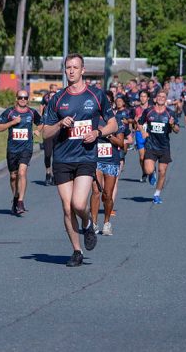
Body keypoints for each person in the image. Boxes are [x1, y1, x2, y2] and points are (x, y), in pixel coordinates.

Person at [43, 54, 117, 268]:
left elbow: (113, 124)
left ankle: (87, 222)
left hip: (85, 156)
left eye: (75, 67)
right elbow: (44, 133)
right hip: (62, 159)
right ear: (64, 70)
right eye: (68, 68)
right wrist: (59, 125)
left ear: (83, 70)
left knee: (78, 203)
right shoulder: (57, 98)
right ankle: (77, 250)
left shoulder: (96, 95)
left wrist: (98, 132)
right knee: (67, 208)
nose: (71, 71)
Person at [90, 91, 128, 236]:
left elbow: (121, 143)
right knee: (95, 191)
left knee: (107, 194)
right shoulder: (91, 119)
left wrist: (106, 133)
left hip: (111, 161)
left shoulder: (116, 120)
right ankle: (93, 223)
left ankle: (106, 222)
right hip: (96, 159)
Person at [0, 90, 42, 215]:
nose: (23, 99)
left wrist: (38, 130)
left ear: (28, 99)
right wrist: (13, 122)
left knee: (22, 172)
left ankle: (21, 202)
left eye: (25, 97)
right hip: (12, 149)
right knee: (13, 176)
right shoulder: (10, 112)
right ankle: (16, 197)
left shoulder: (32, 112)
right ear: (16, 98)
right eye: (21, 97)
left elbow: (41, 123)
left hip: (26, 148)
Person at [138, 90, 180, 204]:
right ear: (155, 98)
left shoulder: (170, 113)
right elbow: (139, 122)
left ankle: (157, 194)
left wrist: (172, 124)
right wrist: (142, 132)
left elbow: (177, 130)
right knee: (148, 169)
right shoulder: (148, 111)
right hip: (151, 145)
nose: (161, 98)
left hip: (164, 147)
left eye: (163, 96)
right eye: (159, 96)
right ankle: (152, 173)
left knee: (163, 171)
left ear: (166, 99)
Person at [38, 84, 58, 186]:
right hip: (48, 134)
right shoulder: (46, 110)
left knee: (57, 155)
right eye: (51, 97)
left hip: (58, 134)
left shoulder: (60, 109)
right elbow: (42, 121)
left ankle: (55, 175)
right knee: (47, 155)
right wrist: (38, 130)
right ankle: (48, 173)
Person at [132, 90, 150, 182]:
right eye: (141, 96)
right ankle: (144, 172)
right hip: (139, 133)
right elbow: (133, 125)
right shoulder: (136, 109)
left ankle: (150, 170)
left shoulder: (152, 109)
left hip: (150, 133)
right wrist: (135, 121)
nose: (142, 98)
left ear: (148, 98)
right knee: (142, 157)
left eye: (144, 96)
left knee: (149, 155)